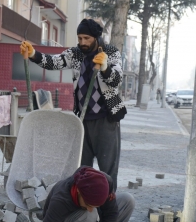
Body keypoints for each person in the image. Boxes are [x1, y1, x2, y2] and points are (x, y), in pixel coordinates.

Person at [20, 18, 126, 190]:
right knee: (81, 169)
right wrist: (33, 54)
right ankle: (84, 208)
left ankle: (108, 207)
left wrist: (105, 67)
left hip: (107, 120)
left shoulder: (111, 53)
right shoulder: (76, 54)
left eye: (87, 38)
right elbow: (53, 62)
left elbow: (116, 79)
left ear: (96, 38)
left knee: (108, 170)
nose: (82, 42)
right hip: (82, 120)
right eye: (80, 38)